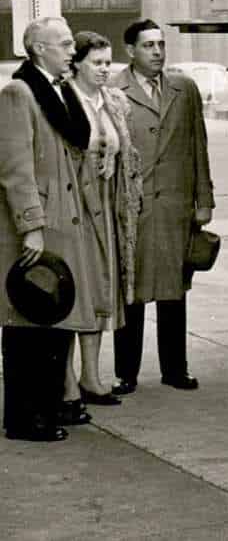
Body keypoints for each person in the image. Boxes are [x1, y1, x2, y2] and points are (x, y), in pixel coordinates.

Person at [0, 16, 98, 441]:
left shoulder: (57, 92)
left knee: (53, 322)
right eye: (62, 44)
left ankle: (49, 407)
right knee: (27, 327)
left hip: (63, 225)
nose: (71, 50)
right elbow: (15, 170)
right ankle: (25, 419)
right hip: (41, 229)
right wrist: (30, 228)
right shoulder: (18, 93)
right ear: (38, 49)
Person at [111, 19, 213, 393]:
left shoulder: (184, 89)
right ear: (130, 50)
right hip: (131, 208)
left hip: (175, 206)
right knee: (132, 292)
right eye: (148, 45)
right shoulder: (112, 90)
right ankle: (126, 373)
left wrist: (205, 199)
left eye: (161, 45)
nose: (157, 52)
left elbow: (198, 146)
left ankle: (175, 369)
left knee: (174, 291)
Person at [62, 32, 142, 407]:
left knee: (101, 290)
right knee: (74, 291)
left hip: (108, 207)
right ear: (76, 63)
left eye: (108, 62)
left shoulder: (114, 101)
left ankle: (91, 376)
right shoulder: (64, 100)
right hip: (76, 206)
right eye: (96, 62)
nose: (104, 69)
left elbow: (128, 154)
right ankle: (66, 383)